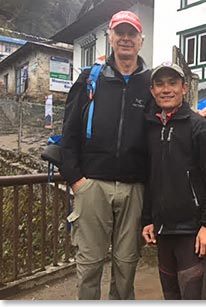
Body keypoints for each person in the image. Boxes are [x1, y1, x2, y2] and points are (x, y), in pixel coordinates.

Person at [60, 11, 151, 299]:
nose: (125, 38)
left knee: (126, 266)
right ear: (110, 37)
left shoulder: (150, 84)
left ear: (141, 40)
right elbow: (69, 132)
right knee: (89, 265)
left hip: (135, 187)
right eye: (120, 32)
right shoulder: (90, 79)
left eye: (131, 33)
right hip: (92, 185)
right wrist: (77, 180)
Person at [141, 62, 206, 300]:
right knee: (171, 298)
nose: (166, 89)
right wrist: (148, 219)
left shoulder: (200, 128)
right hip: (164, 233)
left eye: (172, 83)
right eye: (159, 84)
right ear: (152, 91)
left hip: (195, 234)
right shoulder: (151, 129)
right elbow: (151, 177)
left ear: (184, 88)